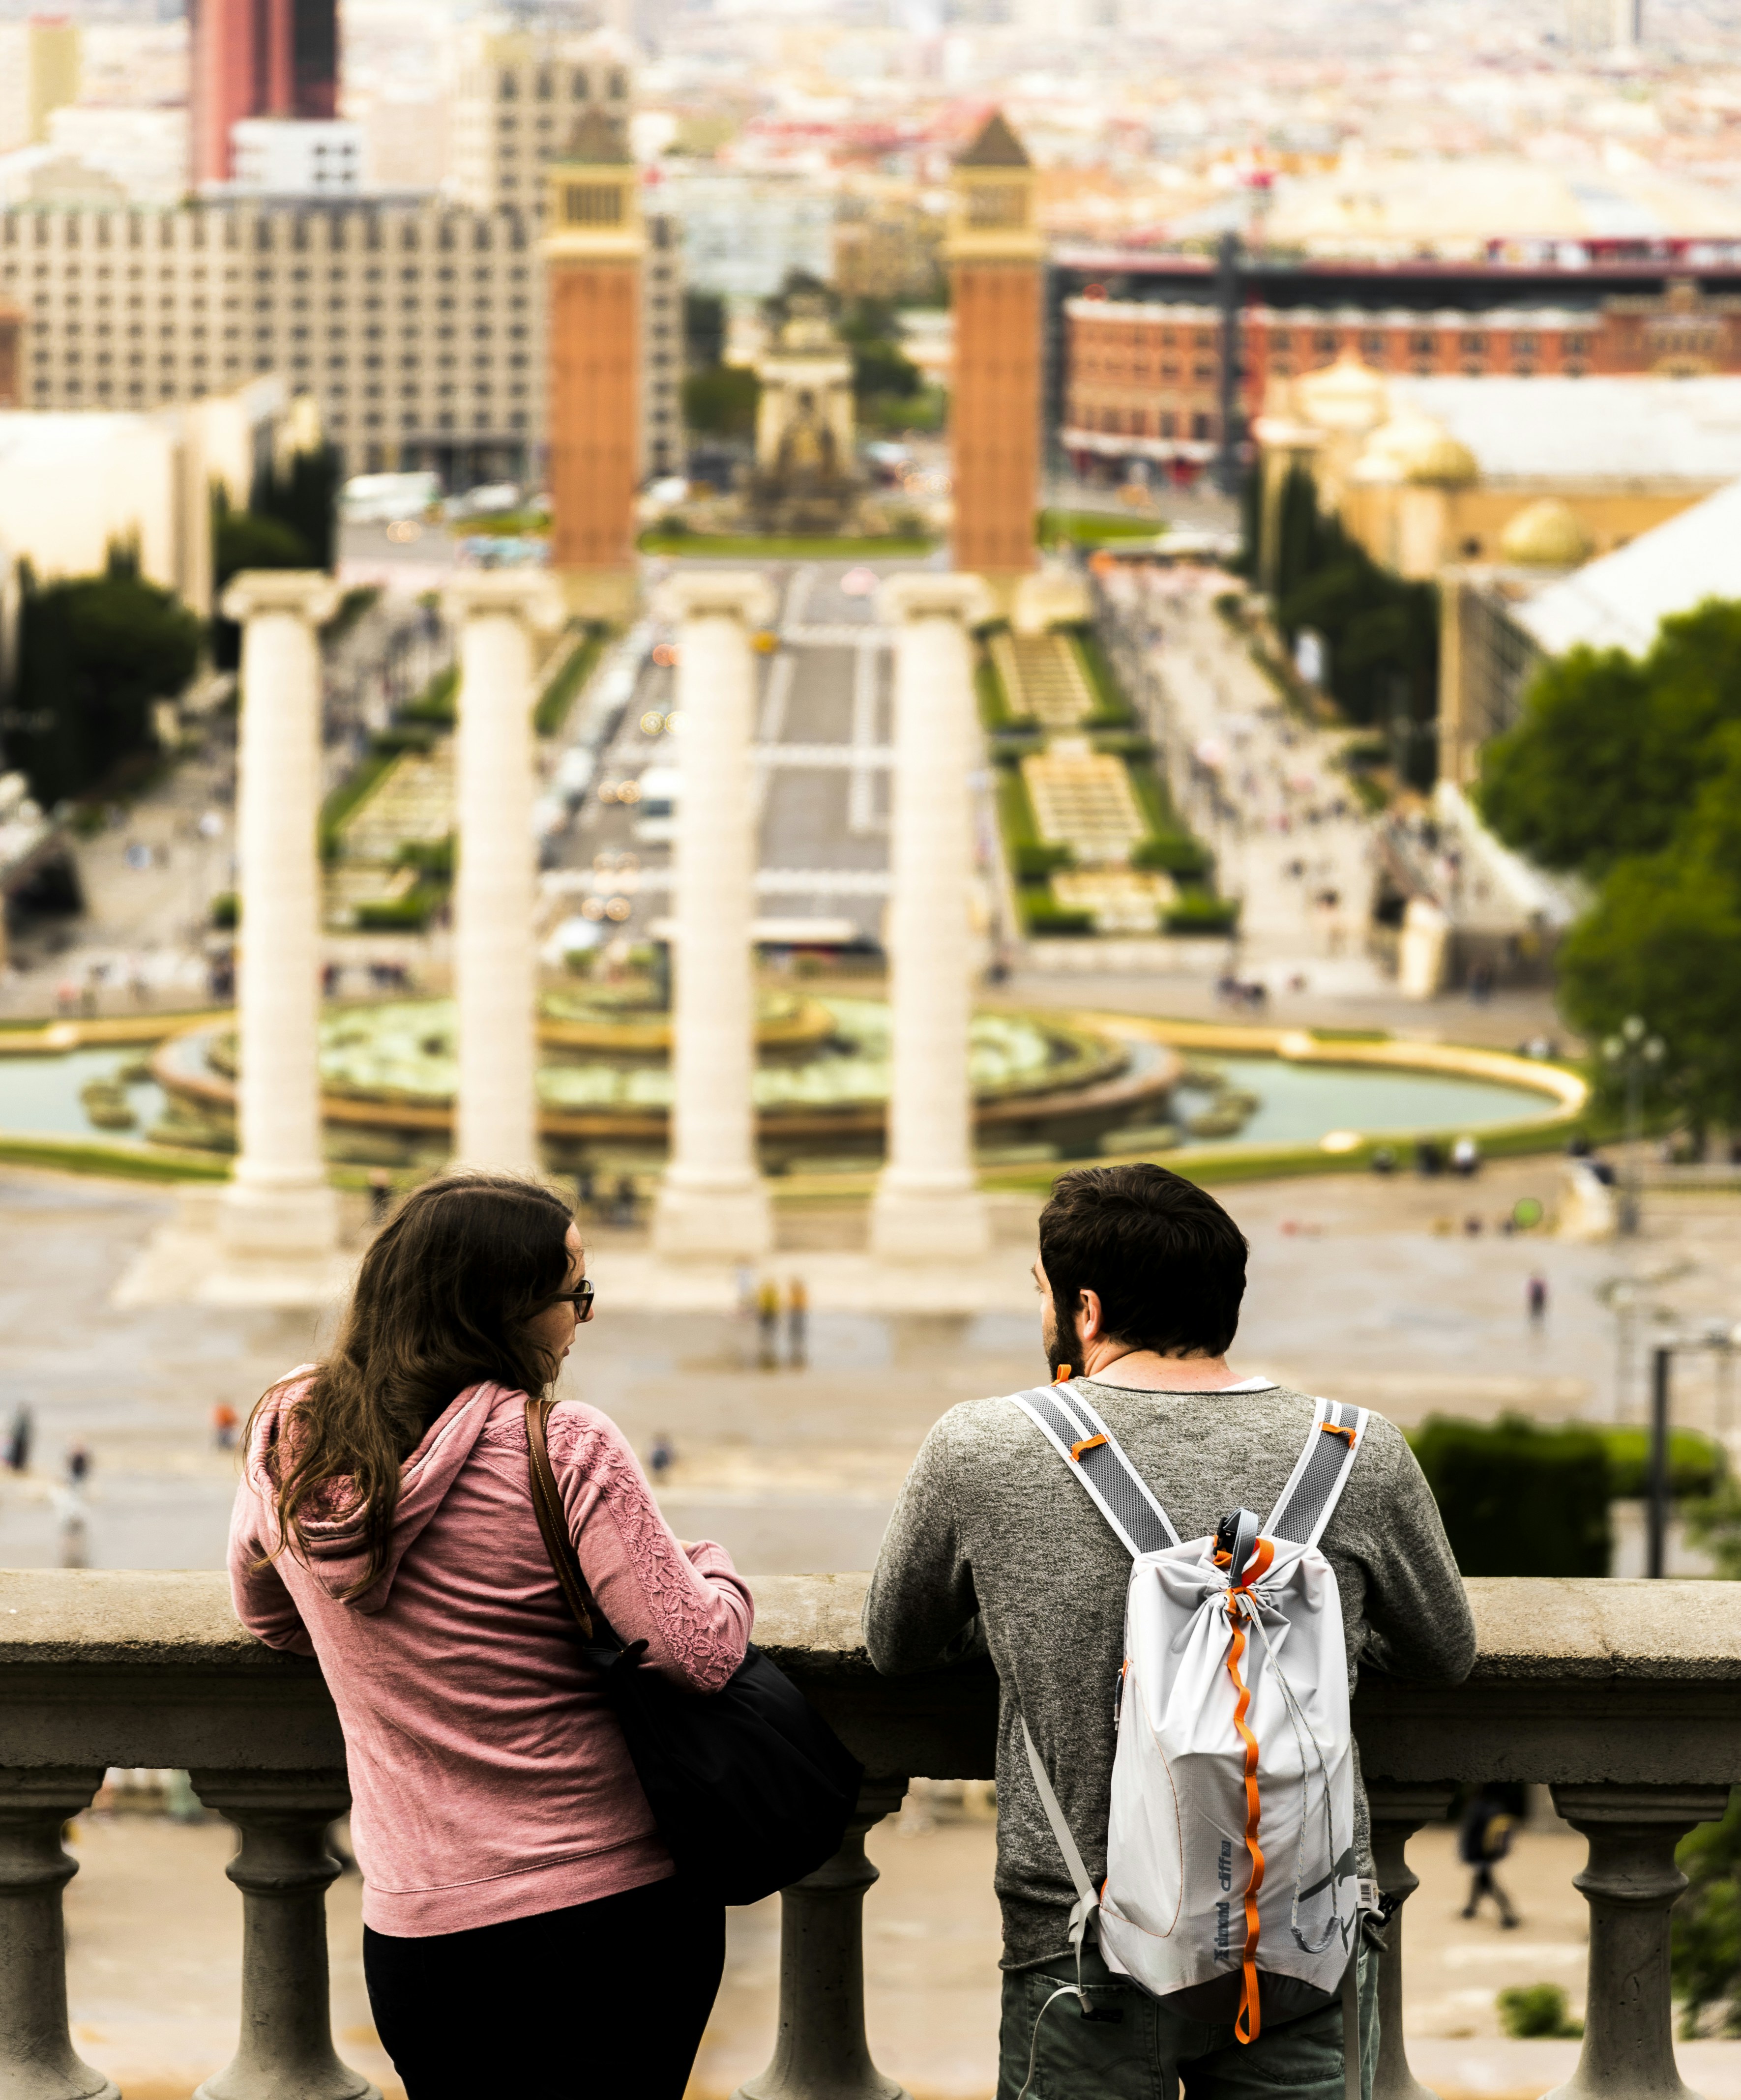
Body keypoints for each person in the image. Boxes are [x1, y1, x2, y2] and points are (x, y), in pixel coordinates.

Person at [865, 1163, 1476, 2100]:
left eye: (1042, 1294)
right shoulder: (1360, 1450)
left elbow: (896, 1643)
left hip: (1078, 1939)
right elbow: (1443, 1650)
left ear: (1088, 1309)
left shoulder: (978, 1446)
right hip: (1300, 1936)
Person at [228, 1172, 751, 2100]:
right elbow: (695, 1651)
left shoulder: (288, 1431)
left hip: (419, 1928)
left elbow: (267, 1613)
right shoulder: (565, 1443)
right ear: (503, 1310)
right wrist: (712, 1567)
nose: (583, 1318)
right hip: (612, 1908)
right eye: (574, 1292)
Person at [1459, 1784, 1524, 1928]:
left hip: (1482, 1854)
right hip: (1488, 1854)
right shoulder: (1495, 1807)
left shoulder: (1477, 1808)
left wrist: (1468, 1854)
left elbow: (1471, 1835)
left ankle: (1509, 1915)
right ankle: (1471, 1908)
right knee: (1480, 1878)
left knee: (1489, 1882)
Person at [786, 1276, 809, 1370]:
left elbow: (804, 1300)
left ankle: (799, 1342)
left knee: (799, 1328)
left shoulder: (801, 1291)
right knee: (795, 1328)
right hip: (795, 1310)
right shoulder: (794, 1291)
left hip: (799, 1310)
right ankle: (795, 1341)